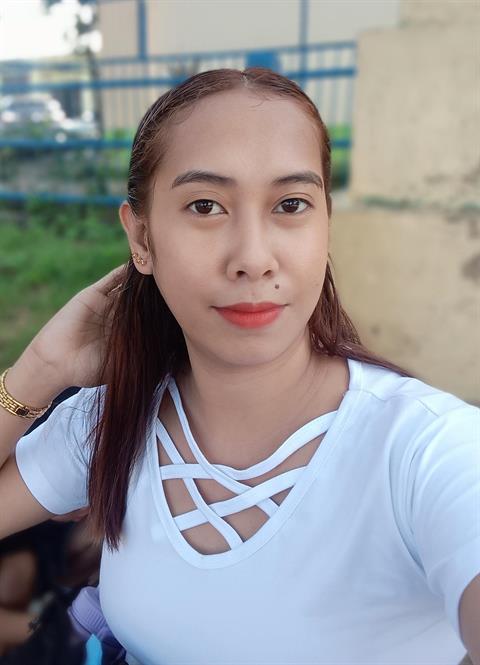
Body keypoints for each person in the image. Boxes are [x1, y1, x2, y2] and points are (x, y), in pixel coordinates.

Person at [0, 67, 478, 665]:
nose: (253, 257)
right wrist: (37, 372)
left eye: (291, 204)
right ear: (141, 238)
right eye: (206, 206)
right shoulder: (111, 421)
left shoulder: (426, 452)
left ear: (326, 225)